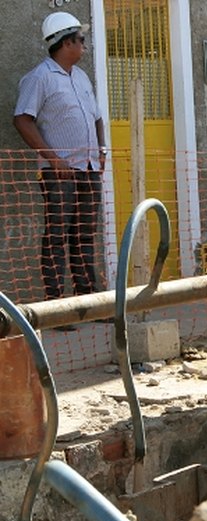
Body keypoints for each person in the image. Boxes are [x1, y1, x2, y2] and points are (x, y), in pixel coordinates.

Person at [14, 12, 107, 326]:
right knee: (56, 235)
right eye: (80, 39)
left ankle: (89, 304)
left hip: (89, 168)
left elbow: (96, 117)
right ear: (66, 42)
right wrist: (53, 158)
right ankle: (57, 308)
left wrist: (101, 149)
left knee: (84, 236)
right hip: (58, 173)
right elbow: (22, 119)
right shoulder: (39, 77)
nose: (84, 44)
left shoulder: (81, 77)